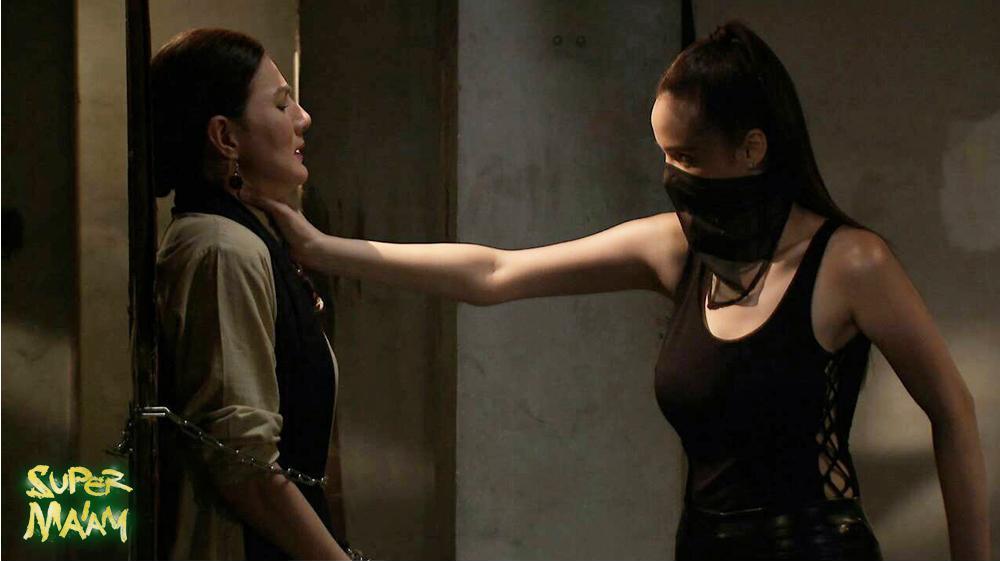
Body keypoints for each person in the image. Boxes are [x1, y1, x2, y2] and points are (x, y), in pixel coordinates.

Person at [246, 20, 990, 560]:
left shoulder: (851, 263)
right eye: (663, 154)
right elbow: (495, 273)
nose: (671, 176)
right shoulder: (675, 248)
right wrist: (322, 248)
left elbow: (952, 410)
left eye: (687, 157)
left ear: (753, 149)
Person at [151, 28, 358, 560]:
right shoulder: (223, 247)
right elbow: (243, 463)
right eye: (282, 103)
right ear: (225, 137)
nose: (303, 118)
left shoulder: (245, 238)